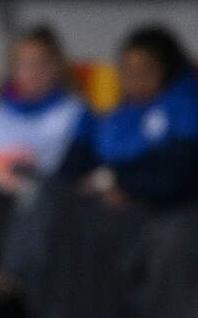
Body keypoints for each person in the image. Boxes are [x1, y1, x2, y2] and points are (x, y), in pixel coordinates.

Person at [83, 26, 198, 209]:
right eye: (127, 70)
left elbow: (174, 177)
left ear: (166, 70)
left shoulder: (185, 109)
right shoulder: (120, 113)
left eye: (144, 70)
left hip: (166, 213)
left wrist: (121, 184)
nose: (134, 79)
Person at [0, 26, 92, 193]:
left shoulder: (76, 114)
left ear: (57, 67)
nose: (33, 73)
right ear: (13, 68)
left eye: (41, 64)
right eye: (24, 64)